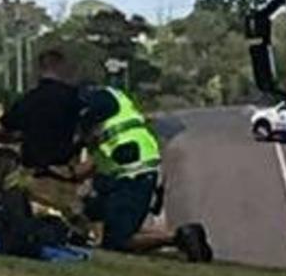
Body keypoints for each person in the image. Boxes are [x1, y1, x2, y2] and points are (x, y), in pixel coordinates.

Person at [76, 85, 212, 261]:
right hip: (135, 168)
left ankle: (179, 237)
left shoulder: (95, 104)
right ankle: (183, 235)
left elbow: (89, 156)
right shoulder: (112, 101)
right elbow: (97, 159)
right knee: (101, 215)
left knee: (118, 241)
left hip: (133, 174)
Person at [0, 49, 87, 225]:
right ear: (61, 68)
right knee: (68, 219)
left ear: (40, 69)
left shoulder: (29, 99)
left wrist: (15, 140)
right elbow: (87, 131)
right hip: (65, 172)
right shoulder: (74, 98)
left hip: (33, 173)